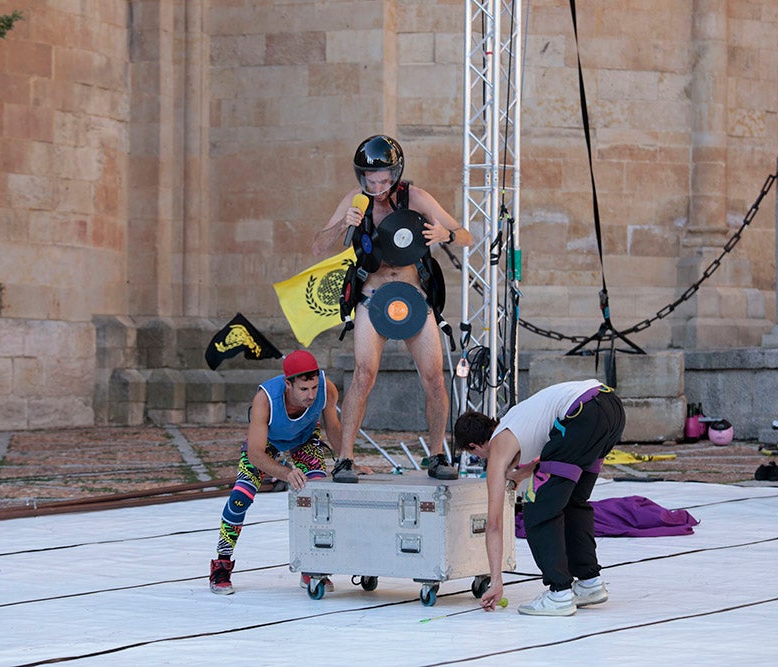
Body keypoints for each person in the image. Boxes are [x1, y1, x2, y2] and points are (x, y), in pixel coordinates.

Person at [312, 134, 473, 483]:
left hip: (413, 297)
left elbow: (465, 235)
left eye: (384, 179)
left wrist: (444, 235)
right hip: (372, 299)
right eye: (371, 180)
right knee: (363, 375)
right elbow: (318, 246)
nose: (377, 187)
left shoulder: (415, 197)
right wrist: (344, 224)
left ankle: (435, 456)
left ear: (396, 174)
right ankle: (345, 459)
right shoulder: (355, 201)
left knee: (434, 378)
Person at [453, 379, 626, 616]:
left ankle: (559, 593)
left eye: (476, 455)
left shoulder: (498, 446)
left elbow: (493, 524)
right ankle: (589, 583)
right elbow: (553, 453)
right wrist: (520, 475)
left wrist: (496, 581)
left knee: (538, 510)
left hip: (582, 416)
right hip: (609, 407)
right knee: (573, 502)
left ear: (474, 446)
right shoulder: (515, 420)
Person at [209, 350, 343, 595]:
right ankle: (222, 563)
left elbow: (333, 426)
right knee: (241, 497)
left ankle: (311, 565)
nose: (311, 395)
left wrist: (347, 458)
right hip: (267, 444)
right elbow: (255, 454)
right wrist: (285, 472)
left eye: (314, 387)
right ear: (288, 384)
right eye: (303, 390)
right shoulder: (265, 399)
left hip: (304, 439)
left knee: (319, 495)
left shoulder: (327, 389)